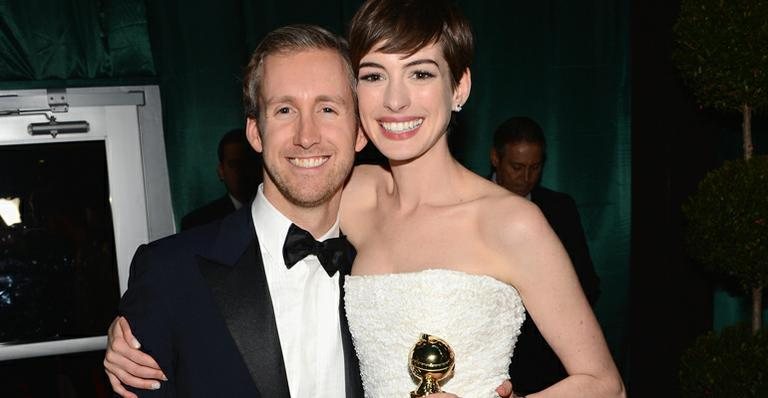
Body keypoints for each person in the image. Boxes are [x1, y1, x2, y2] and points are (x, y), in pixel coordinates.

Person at [106, 0, 625, 395]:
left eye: (421, 73)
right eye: (375, 76)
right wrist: (137, 324)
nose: (396, 100)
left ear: (460, 87)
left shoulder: (513, 222)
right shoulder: (353, 194)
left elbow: (603, 382)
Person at [108, 25, 368, 397]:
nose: (307, 135)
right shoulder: (170, 273)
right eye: (284, 109)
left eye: (327, 108)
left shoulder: (391, 268)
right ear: (255, 133)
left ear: (359, 132)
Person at [490, 116, 602, 394]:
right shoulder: (466, 206)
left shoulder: (560, 209)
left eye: (534, 167)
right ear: (495, 158)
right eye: (517, 167)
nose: (525, 177)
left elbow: (587, 283)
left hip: (547, 360)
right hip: (488, 356)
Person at [180, 128, 261, 230]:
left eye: (248, 163)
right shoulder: (198, 223)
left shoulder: (279, 212)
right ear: (221, 171)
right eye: (234, 164)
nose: (242, 170)